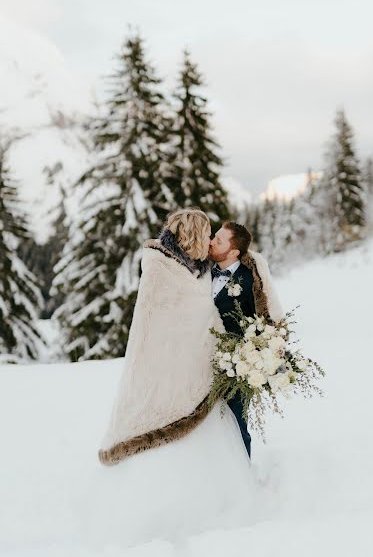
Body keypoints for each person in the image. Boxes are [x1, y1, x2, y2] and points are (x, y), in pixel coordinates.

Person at [84, 209, 257, 547]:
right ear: (193, 237)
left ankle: (215, 514)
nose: (211, 241)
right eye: (207, 234)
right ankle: (161, 521)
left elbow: (205, 317)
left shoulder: (200, 269)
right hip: (162, 373)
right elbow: (161, 323)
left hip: (197, 376)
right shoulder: (161, 269)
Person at [209, 221, 284, 459]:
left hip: (236, 366)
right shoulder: (201, 271)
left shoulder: (251, 281)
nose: (211, 241)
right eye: (214, 236)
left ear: (234, 252)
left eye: (219, 240)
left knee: (235, 425)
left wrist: (262, 357)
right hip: (201, 362)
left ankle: (243, 476)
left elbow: (265, 321)